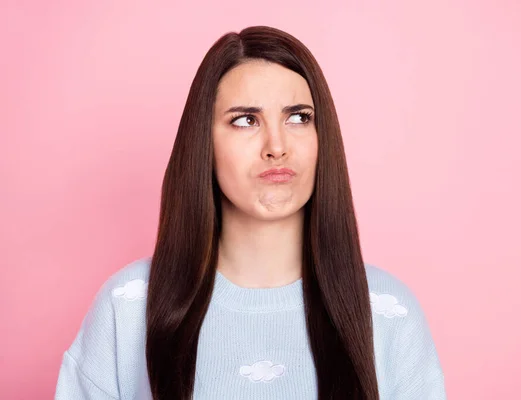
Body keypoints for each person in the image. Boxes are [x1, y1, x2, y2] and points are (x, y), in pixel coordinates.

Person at [54, 25, 446, 400]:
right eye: (246, 120)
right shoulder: (127, 308)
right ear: (202, 143)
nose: (277, 146)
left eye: (299, 117)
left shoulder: (388, 312)